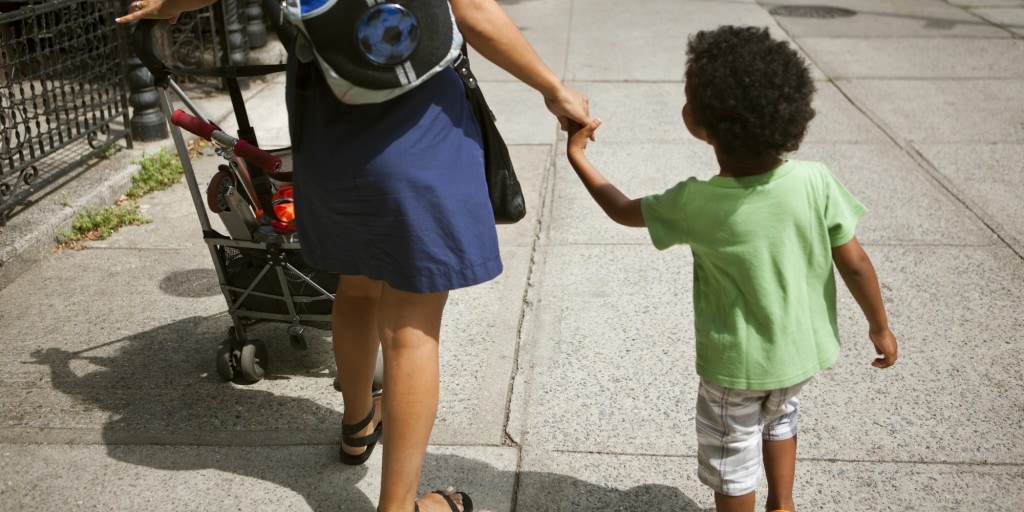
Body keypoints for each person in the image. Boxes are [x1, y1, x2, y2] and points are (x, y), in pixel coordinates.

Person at [117, 1, 590, 511]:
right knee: (411, 327)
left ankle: (358, 424)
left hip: (328, 124)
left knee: (357, 284)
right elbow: (472, 9)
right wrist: (554, 89)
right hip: (415, 123)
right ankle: (400, 507)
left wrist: (171, 4)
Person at [565, 25, 897, 512]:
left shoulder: (695, 202)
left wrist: (578, 155)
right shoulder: (817, 181)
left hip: (736, 367)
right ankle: (782, 504)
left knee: (732, 455)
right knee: (782, 416)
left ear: (698, 124)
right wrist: (880, 327)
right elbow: (856, 263)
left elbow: (620, 209)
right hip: (799, 353)